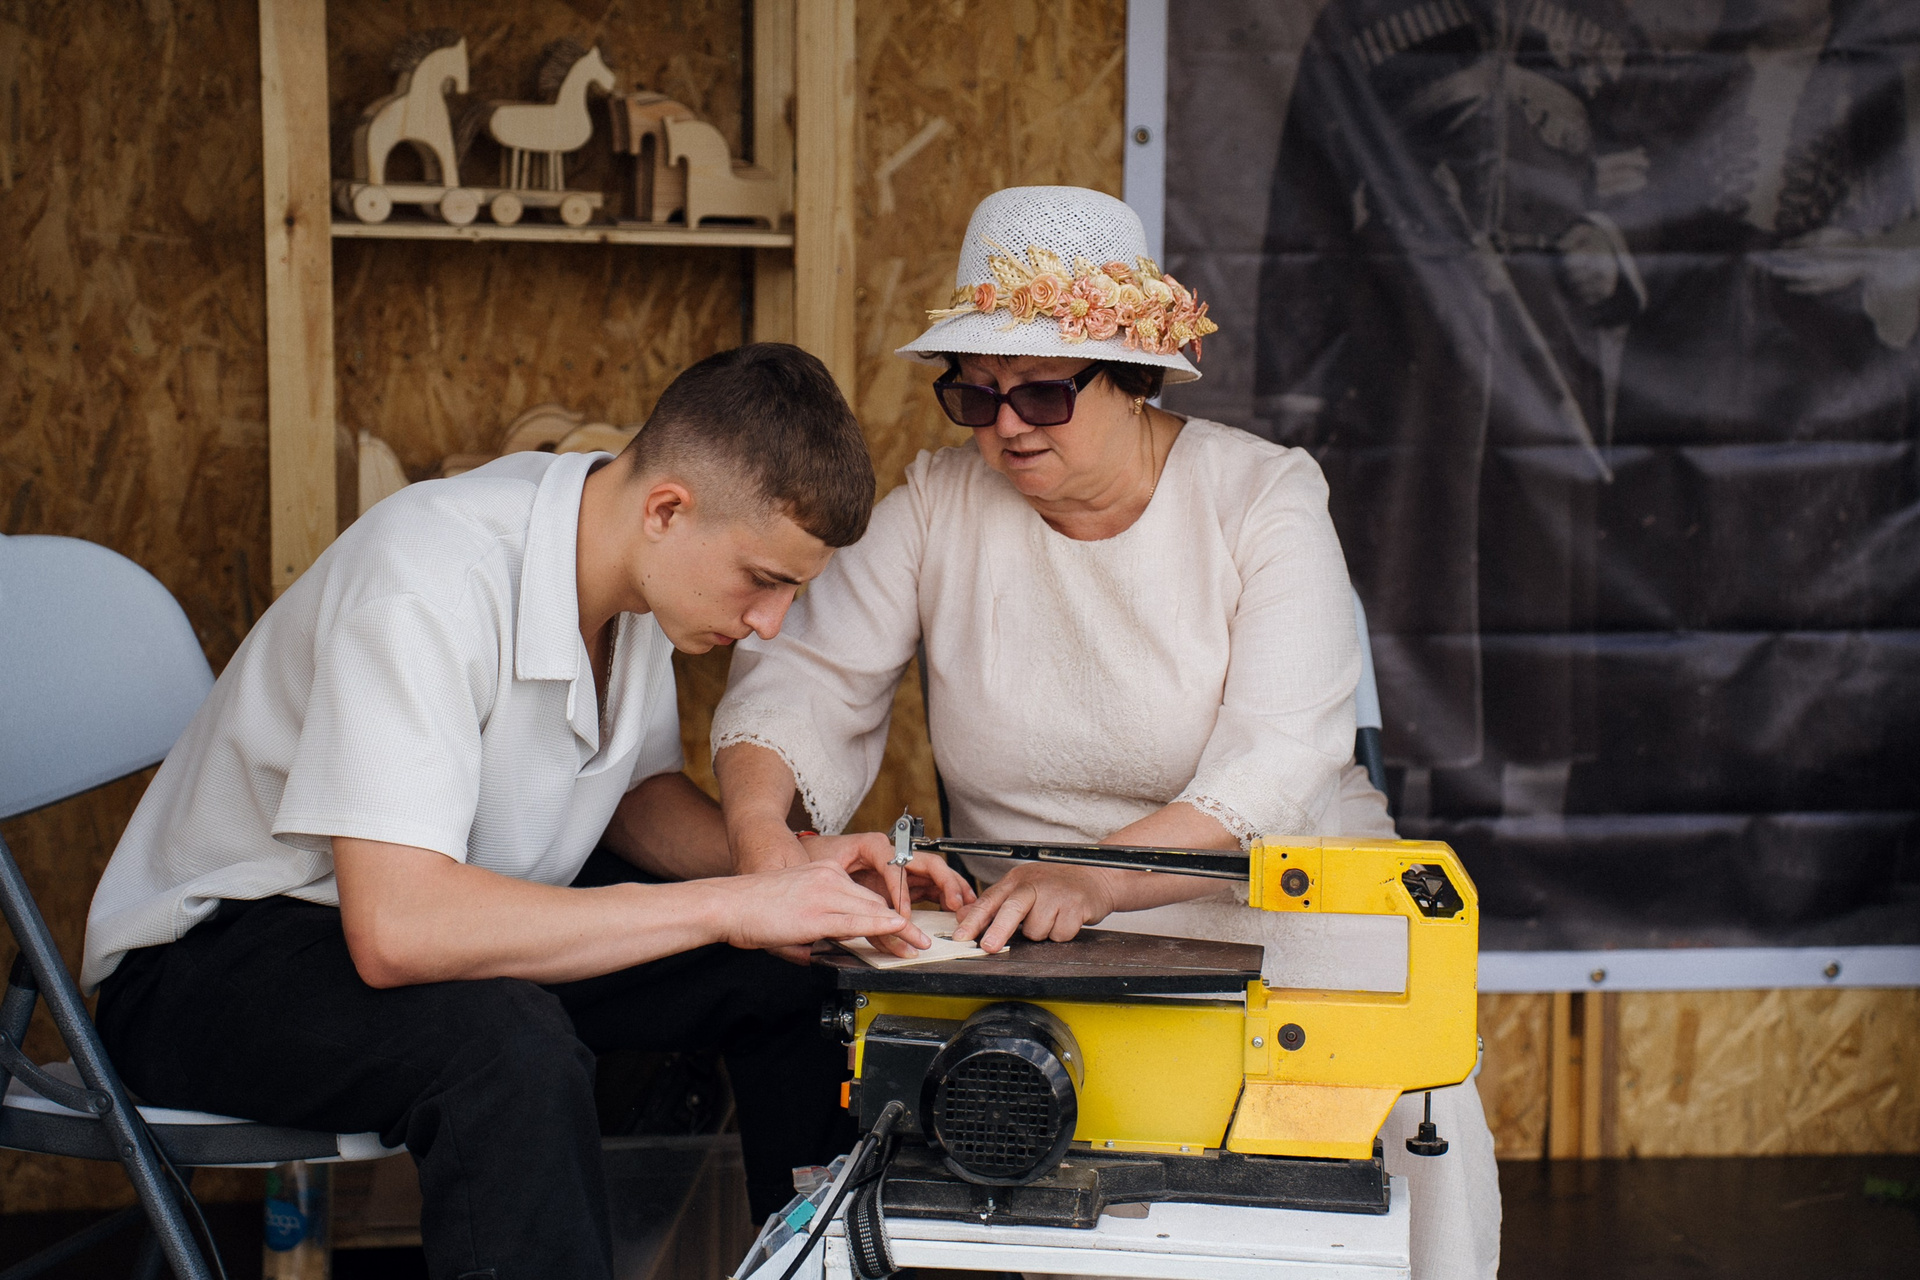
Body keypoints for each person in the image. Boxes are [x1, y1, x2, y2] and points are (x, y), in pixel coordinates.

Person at [712, 188, 1501, 1279]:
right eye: (973, 394)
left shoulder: (1263, 496)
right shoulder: (938, 504)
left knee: (1412, 1092)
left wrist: (1099, 876)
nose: (1006, 426)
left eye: (1042, 390)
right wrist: (760, 838)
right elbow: (802, 675)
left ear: (1135, 378)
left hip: (1275, 898)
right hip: (1036, 928)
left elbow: (1282, 756)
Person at [80, 343, 972, 1280]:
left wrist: (785, 867)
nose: (771, 622)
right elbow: (398, 930)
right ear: (668, 509)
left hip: (434, 911)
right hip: (212, 960)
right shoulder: (426, 578)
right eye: (763, 578)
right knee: (506, 1051)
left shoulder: (632, 572)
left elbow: (628, 798)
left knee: (800, 972)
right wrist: (729, 904)